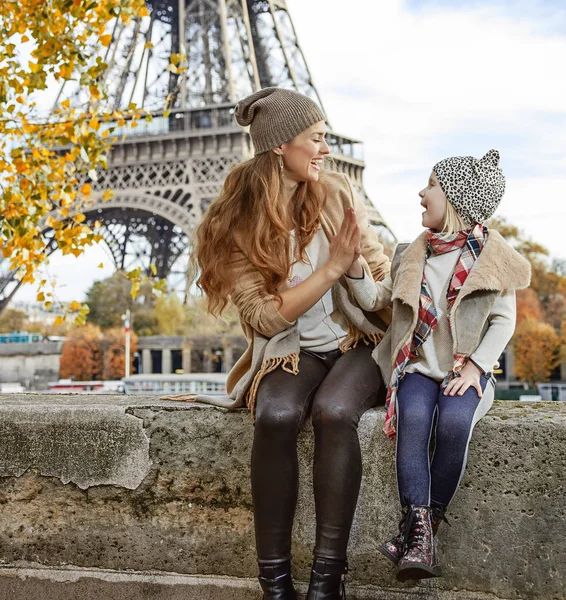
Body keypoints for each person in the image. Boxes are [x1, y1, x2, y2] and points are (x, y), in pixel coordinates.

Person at [176, 87, 392, 600]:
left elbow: (384, 295)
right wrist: (331, 269)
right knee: (273, 417)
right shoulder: (238, 221)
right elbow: (266, 320)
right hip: (291, 347)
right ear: (280, 145)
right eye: (316, 138)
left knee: (336, 412)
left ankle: (327, 578)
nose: (325, 149)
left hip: (357, 340)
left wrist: (355, 270)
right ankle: (274, 582)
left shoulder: (340, 194)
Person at [346, 149, 531, 581]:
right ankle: (422, 535)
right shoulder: (410, 253)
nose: (420, 193)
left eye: (429, 185)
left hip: (466, 371)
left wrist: (475, 368)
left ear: (453, 197)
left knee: (451, 426)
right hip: (418, 368)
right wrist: (352, 267)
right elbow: (378, 301)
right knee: (413, 419)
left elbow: (505, 322)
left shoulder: (492, 256)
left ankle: (418, 532)